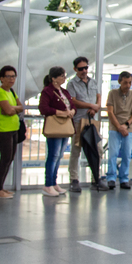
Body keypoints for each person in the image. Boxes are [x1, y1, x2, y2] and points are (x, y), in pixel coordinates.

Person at [67, 56, 105, 192]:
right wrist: (90, 105)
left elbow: (99, 97)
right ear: (75, 69)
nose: (84, 71)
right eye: (80, 68)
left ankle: (96, 178)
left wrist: (96, 107)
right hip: (78, 121)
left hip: (92, 121)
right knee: (76, 151)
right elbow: (73, 101)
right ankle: (74, 179)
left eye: (85, 68)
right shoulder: (72, 83)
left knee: (98, 149)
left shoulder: (93, 82)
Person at [39, 66, 76, 197]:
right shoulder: (47, 91)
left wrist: (71, 111)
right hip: (55, 126)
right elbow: (43, 108)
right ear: (53, 78)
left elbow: (72, 105)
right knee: (53, 155)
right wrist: (61, 113)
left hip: (65, 126)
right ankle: (48, 184)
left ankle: (54, 183)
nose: (64, 78)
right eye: (61, 76)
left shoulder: (64, 92)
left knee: (59, 155)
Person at [0, 65, 25, 199]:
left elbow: (20, 107)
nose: (11, 79)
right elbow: (8, 111)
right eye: (8, 76)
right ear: (1, 78)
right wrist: (12, 109)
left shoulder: (11, 92)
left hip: (14, 129)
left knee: (10, 159)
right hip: (3, 130)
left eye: (13, 76)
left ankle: (1, 187)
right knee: (5, 159)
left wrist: (13, 108)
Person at [105, 71, 132, 190]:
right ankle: (111, 178)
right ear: (119, 81)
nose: (128, 85)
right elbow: (110, 111)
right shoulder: (112, 93)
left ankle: (124, 178)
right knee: (113, 154)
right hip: (115, 128)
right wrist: (119, 126)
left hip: (128, 128)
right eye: (125, 83)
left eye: (130, 82)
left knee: (126, 155)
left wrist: (126, 124)